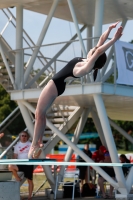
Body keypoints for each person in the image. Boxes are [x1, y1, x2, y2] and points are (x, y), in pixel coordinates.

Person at [28, 22, 123, 159]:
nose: (93, 48)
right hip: (57, 86)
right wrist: (108, 30)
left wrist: (114, 40)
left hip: (55, 85)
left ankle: (34, 145)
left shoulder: (86, 67)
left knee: (39, 113)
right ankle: (38, 143)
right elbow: (99, 44)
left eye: (95, 51)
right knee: (40, 114)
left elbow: (98, 51)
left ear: (95, 56)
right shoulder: (87, 60)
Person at [8, 131, 34, 200]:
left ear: (27, 137)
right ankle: (17, 178)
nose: (24, 137)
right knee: (10, 166)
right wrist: (12, 160)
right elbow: (15, 155)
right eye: (22, 136)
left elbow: (34, 154)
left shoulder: (31, 144)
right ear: (20, 137)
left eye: (25, 136)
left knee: (30, 180)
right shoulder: (17, 145)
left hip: (29, 164)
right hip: (20, 164)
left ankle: (29, 196)